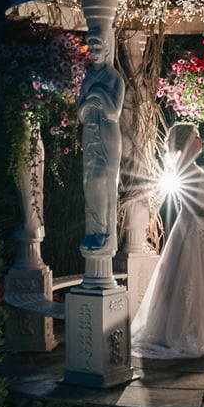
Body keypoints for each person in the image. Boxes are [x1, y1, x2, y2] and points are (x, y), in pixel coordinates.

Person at [131, 122, 204, 358]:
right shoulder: (182, 170)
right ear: (185, 142)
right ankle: (188, 331)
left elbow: (201, 201)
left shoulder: (192, 166)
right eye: (196, 137)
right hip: (193, 231)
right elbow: (194, 208)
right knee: (191, 278)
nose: (201, 141)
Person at [77, 22, 125, 254]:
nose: (94, 53)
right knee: (90, 181)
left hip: (108, 135)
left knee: (105, 181)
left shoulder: (114, 77)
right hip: (90, 135)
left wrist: (97, 94)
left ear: (107, 49)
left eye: (98, 48)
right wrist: (89, 100)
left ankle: (105, 231)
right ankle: (93, 230)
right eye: (91, 48)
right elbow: (80, 113)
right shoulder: (88, 76)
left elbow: (113, 113)